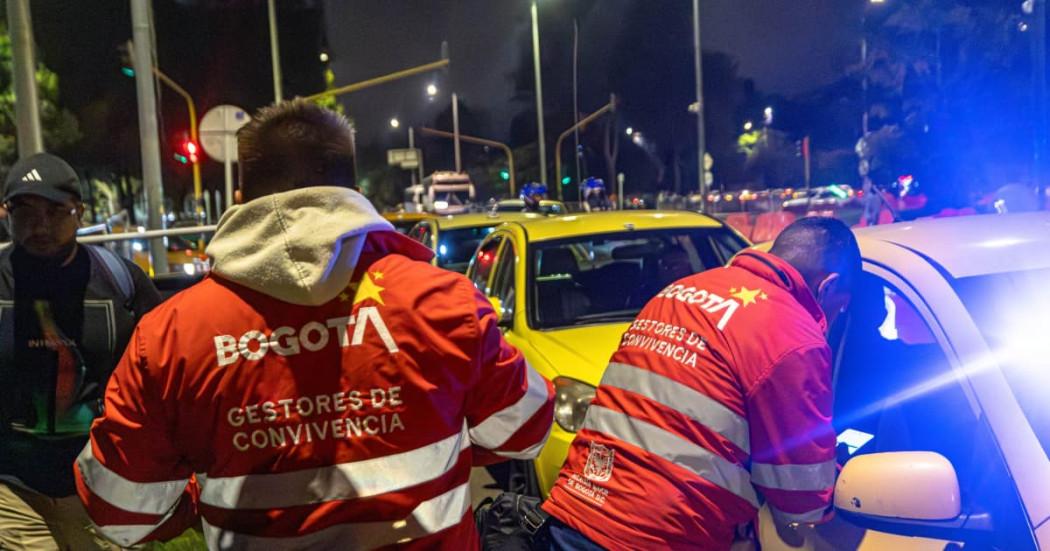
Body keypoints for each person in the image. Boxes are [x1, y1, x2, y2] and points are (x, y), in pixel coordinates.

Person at [74, 99, 555, 550]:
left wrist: (208, 495)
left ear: (241, 199)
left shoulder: (170, 336)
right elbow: (526, 430)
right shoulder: (442, 301)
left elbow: (121, 512)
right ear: (354, 194)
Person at [542, 217, 861, 550]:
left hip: (574, 509)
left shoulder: (680, 291)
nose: (833, 320)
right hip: (657, 535)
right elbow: (802, 498)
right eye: (841, 308)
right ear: (828, 286)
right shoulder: (793, 335)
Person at [0, 152, 161, 550]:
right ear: (5, 214)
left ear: (80, 212)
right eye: (24, 210)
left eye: (55, 210)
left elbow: (163, 371)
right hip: (14, 492)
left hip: (106, 488)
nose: (40, 224)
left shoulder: (121, 282)